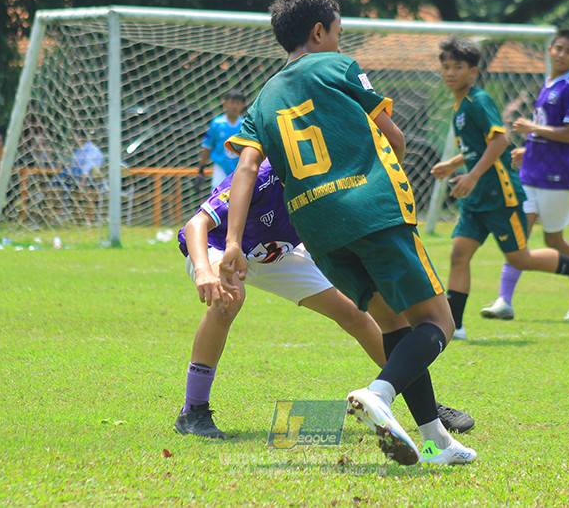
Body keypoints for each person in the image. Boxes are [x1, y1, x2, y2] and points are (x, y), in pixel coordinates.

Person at [217, 0, 476, 466]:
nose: (339, 40)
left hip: (317, 230)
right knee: (437, 320)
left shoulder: (263, 97)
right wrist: (379, 187)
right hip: (371, 210)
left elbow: (246, 170)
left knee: (393, 322)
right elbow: (392, 137)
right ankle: (379, 393)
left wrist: (232, 242)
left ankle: (440, 440)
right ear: (319, 31)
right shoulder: (338, 65)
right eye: (338, 31)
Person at [173, 158, 475, 439]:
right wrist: (204, 271)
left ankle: (425, 404)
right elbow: (196, 224)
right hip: (219, 247)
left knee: (355, 313)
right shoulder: (263, 174)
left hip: (276, 254)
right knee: (229, 299)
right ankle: (193, 410)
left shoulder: (327, 179)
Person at [430, 38, 569, 339]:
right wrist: (453, 164)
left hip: (499, 194)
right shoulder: (459, 104)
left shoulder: (478, 101)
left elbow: (500, 141)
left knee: (520, 258)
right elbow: (479, 147)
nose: (450, 73)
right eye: (446, 67)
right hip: (476, 197)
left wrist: (472, 175)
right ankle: (455, 326)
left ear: (473, 71)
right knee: (459, 254)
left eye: (458, 67)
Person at [482, 28, 569, 321]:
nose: (561, 54)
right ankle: (504, 301)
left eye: (568, 51)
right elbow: (547, 133)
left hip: (557, 175)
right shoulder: (548, 84)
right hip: (531, 172)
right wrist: (528, 151)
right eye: (558, 48)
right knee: (519, 236)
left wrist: (533, 130)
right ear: (549, 50)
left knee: (554, 240)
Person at [198, 89, 247, 187]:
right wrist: (201, 169)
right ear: (225, 104)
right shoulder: (217, 124)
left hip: (241, 168)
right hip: (221, 167)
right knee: (217, 197)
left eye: (237, 103)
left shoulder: (245, 125)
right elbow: (207, 147)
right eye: (232, 103)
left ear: (242, 106)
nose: (234, 106)